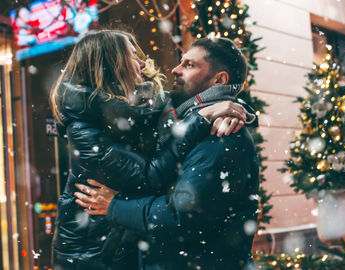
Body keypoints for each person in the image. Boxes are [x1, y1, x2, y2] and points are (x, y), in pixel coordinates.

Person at [50, 30, 248, 270]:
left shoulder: (131, 113)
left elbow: (178, 104)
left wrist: (234, 106)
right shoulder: (87, 127)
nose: (143, 63)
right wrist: (203, 117)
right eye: (133, 56)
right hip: (93, 257)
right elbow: (148, 178)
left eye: (189, 64)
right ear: (111, 66)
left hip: (123, 250)